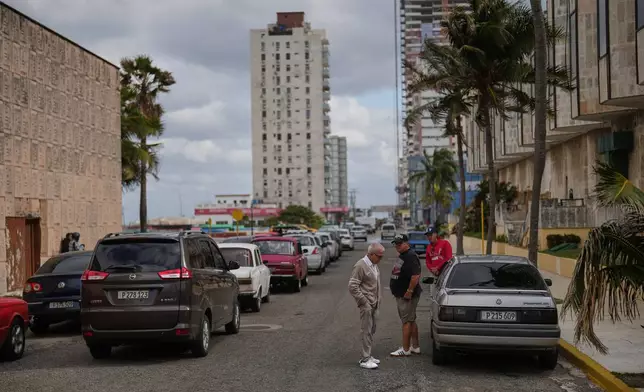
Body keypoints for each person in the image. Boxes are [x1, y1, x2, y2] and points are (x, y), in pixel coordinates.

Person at [348, 242, 385, 369]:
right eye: (379, 256)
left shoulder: (374, 265)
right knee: (366, 330)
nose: (381, 259)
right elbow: (352, 286)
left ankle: (368, 355)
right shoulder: (360, 266)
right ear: (371, 254)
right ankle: (365, 359)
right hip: (366, 304)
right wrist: (364, 302)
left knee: (371, 330)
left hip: (374, 303)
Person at [389, 234, 422, 357]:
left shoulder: (410, 256)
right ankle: (415, 346)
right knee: (411, 320)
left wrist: (409, 291)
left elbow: (415, 276)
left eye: (400, 243)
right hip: (402, 293)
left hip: (407, 295)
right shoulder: (403, 255)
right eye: (395, 244)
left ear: (406, 243)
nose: (397, 246)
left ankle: (405, 348)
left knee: (406, 321)